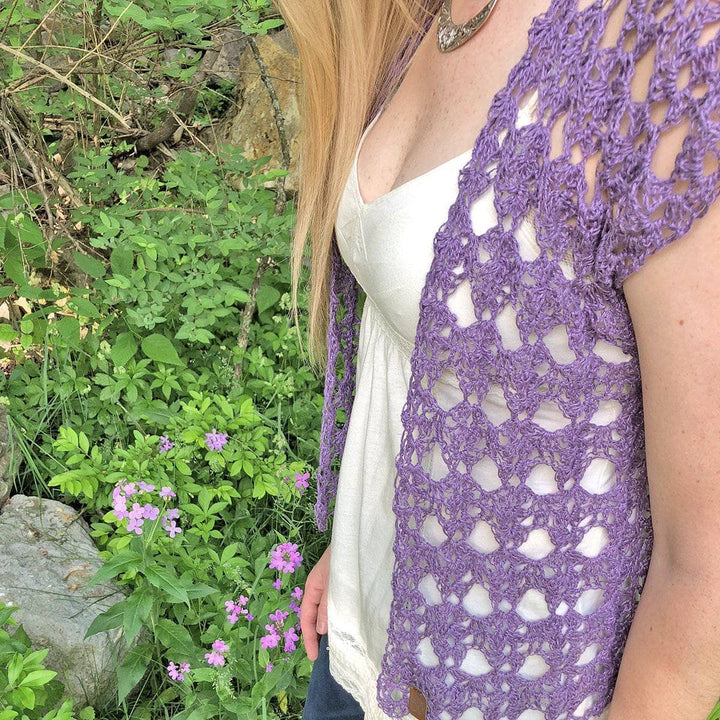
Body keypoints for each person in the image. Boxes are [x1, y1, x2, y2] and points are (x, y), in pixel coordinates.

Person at [276, 0, 720, 718]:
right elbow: (425, 345)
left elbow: (704, 562)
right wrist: (362, 542)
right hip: (355, 648)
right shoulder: (422, 16)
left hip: (505, 689)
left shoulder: (673, 47)